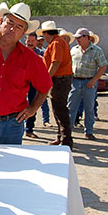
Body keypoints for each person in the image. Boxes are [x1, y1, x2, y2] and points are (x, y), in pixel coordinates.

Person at [0, 2, 51, 144]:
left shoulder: (31, 58)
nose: (12, 29)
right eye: (10, 22)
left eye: (19, 26)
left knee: (11, 165)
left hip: (12, 125)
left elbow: (45, 86)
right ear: (1, 22)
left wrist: (33, 109)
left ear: (24, 32)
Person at [38, 20, 74, 148]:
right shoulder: (57, 42)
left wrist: (47, 78)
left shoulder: (57, 43)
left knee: (60, 110)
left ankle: (66, 140)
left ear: (47, 33)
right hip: (60, 79)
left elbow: (56, 62)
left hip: (60, 79)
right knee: (58, 109)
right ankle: (61, 137)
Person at [67, 28, 108, 141]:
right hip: (75, 81)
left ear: (86, 37)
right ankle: (68, 131)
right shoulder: (74, 50)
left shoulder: (96, 50)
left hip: (89, 81)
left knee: (89, 108)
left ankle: (89, 131)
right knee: (71, 107)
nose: (77, 40)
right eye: (76, 38)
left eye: (79, 38)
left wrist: (94, 80)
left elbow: (103, 66)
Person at [24, 32, 45, 138]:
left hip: (34, 82)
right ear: (25, 40)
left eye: (33, 41)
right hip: (20, 82)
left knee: (33, 104)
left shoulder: (41, 54)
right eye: (29, 40)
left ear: (36, 42)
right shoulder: (18, 52)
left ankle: (29, 129)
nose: (30, 43)